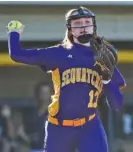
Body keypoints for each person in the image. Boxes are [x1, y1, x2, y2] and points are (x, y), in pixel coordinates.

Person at [7, 6, 126, 152]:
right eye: (77, 24)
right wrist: (14, 32)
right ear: (70, 29)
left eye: (87, 22)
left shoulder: (104, 57)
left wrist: (107, 80)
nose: (83, 27)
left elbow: (116, 104)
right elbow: (16, 54)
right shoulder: (59, 53)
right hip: (59, 126)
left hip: (89, 125)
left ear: (93, 26)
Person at [24, 81, 51, 152]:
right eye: (42, 92)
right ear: (38, 94)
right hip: (33, 148)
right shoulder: (31, 113)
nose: (44, 95)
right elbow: (26, 131)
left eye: (46, 93)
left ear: (50, 94)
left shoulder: (54, 113)